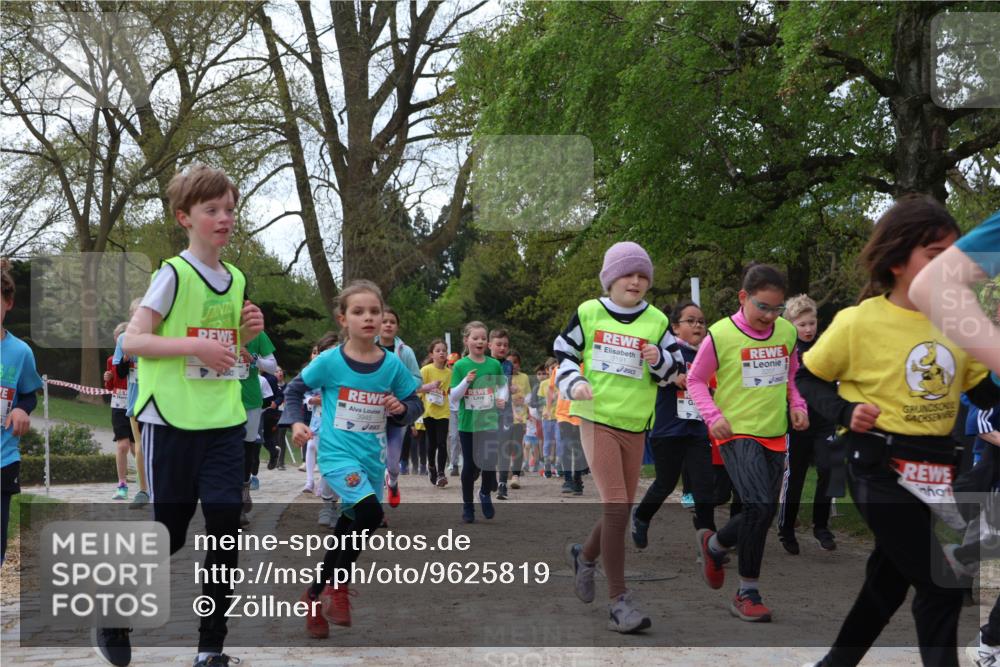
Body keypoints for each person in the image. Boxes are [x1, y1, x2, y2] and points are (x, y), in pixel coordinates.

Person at [797, 193, 1000, 667]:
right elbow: (808, 376)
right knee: (941, 583)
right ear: (895, 260)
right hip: (877, 469)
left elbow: (982, 392)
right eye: (934, 256)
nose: (948, 266)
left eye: (953, 255)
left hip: (937, 471)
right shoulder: (857, 322)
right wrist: (845, 412)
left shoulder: (960, 322)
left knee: (886, 584)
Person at [118, 163, 265, 667]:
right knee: (172, 533)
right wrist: (195, 345)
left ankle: (210, 649)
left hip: (223, 422)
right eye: (212, 210)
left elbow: (223, 352)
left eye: (230, 209)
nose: (225, 218)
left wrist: (247, 334)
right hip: (171, 423)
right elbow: (132, 340)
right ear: (185, 217)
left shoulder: (238, 277)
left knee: (226, 525)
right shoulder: (172, 274)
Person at [556, 241, 683, 634]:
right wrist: (573, 382)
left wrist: (658, 361)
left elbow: (674, 372)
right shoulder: (588, 312)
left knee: (621, 509)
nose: (636, 281)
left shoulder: (658, 321)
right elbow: (563, 354)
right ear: (610, 278)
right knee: (615, 507)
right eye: (628, 273)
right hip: (596, 418)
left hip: (634, 424)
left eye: (643, 275)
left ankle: (585, 555)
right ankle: (619, 602)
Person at [282, 280, 421, 635]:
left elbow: (414, 403)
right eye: (359, 312)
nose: (369, 318)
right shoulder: (329, 361)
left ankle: (313, 596)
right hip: (337, 454)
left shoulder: (390, 365)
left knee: (348, 526)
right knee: (372, 514)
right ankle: (338, 588)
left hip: (370, 459)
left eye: (375, 311)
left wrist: (400, 407)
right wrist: (297, 421)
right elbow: (296, 388)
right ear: (343, 319)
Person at [687, 263, 809, 623]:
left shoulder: (786, 332)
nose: (770, 316)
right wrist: (714, 417)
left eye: (777, 308)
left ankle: (714, 544)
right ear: (743, 298)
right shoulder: (720, 335)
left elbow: (790, 376)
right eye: (763, 307)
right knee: (758, 507)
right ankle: (747, 591)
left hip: (775, 433)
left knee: (764, 511)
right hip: (735, 432)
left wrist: (797, 405)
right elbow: (695, 381)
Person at [632, 300, 717, 548]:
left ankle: (709, 540)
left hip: (697, 430)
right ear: (675, 327)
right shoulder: (667, 353)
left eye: (701, 321)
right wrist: (673, 376)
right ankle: (641, 515)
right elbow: (654, 375)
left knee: (704, 487)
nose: (698, 325)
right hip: (668, 429)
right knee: (665, 483)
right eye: (690, 321)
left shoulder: (709, 355)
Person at [776, 294, 838, 554]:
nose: (809, 329)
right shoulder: (785, 350)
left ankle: (821, 526)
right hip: (796, 423)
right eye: (802, 325)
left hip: (824, 422)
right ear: (790, 325)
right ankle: (786, 528)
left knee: (830, 469)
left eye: (812, 323)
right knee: (796, 476)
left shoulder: (824, 347)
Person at [910, 208, 1000, 375]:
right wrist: (851, 403)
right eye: (936, 257)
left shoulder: (967, 319)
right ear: (895, 263)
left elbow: (975, 391)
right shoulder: (852, 325)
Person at [1, 259, 42, 565]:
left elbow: (29, 393)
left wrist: (21, 410)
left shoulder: (20, 352)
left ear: (9, 303)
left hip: (3, 458)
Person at [450, 321, 508, 523]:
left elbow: (502, 386)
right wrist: (465, 381)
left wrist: (502, 398)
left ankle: (484, 493)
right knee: (469, 466)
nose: (480, 341)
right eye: (475, 338)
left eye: (483, 338)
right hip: (468, 424)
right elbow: (453, 397)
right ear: (466, 341)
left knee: (490, 461)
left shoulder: (494, 364)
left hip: (489, 421)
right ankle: (468, 506)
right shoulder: (460, 365)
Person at [378, 307, 422, 504]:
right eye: (384, 321)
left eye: (392, 322)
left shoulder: (405, 351)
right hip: (371, 411)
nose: (388, 325)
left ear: (397, 327)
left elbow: (417, 379)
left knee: (393, 463)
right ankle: (376, 508)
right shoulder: (366, 348)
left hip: (397, 411)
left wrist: (400, 387)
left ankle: (393, 481)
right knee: (374, 461)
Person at [239, 330, 277, 516]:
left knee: (247, 448)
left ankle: (244, 491)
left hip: (250, 399)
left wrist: (253, 359)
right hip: (218, 398)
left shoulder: (257, 334)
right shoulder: (213, 328)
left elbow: (272, 366)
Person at [104, 323, 134, 500]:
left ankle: (145, 483)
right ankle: (122, 484)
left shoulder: (137, 355)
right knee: (123, 445)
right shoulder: (111, 360)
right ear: (116, 339)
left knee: (136, 448)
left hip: (135, 404)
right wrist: (107, 379)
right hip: (118, 405)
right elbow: (110, 386)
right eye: (119, 336)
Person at [420, 339, 452, 487]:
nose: (441, 353)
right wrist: (430, 387)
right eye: (438, 350)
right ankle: (431, 466)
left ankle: (441, 473)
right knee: (432, 443)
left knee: (442, 443)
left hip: (443, 412)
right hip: (429, 412)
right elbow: (418, 388)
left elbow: (452, 391)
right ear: (432, 354)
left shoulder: (449, 373)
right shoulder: (426, 370)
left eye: (444, 350)